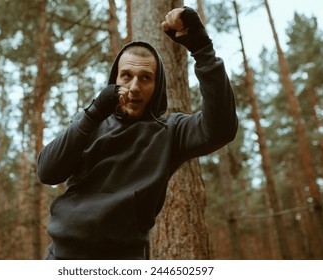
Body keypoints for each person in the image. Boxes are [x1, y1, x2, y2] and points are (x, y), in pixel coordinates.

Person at [37, 6, 238, 260]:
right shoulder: (90, 123)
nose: (134, 87)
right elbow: (47, 171)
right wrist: (92, 114)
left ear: (157, 86)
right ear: (115, 80)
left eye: (145, 78)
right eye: (126, 76)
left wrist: (202, 50)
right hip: (62, 259)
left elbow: (221, 128)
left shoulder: (170, 132)